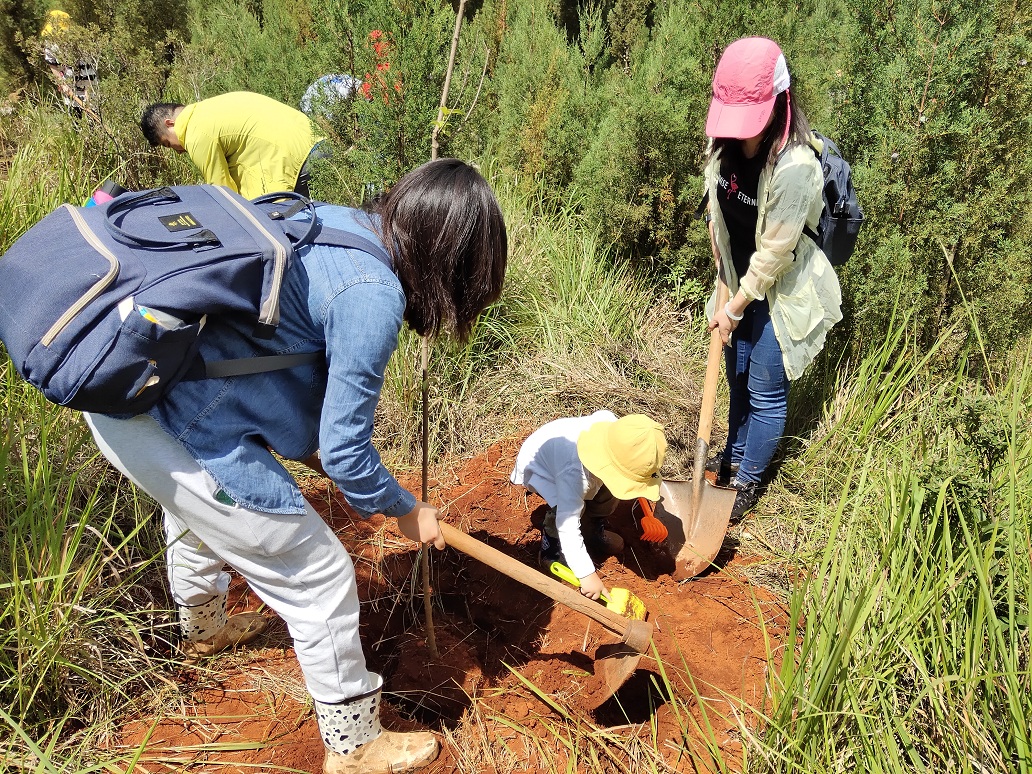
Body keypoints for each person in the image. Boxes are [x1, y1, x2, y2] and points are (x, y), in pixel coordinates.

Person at [82, 158, 508, 774]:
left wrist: (353, 470)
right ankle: (356, 745)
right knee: (319, 577)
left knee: (198, 512)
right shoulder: (373, 297)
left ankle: (204, 629)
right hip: (160, 413)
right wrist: (406, 510)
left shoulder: (336, 222)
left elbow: (280, 369)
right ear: (452, 262)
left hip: (132, 384)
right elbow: (344, 453)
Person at [701, 37, 843, 521]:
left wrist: (735, 308)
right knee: (736, 378)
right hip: (736, 280)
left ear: (779, 101)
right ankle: (728, 459)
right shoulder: (722, 145)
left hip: (777, 289)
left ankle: (745, 485)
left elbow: (775, 255)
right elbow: (718, 213)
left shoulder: (797, 166)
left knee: (763, 388)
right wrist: (723, 276)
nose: (740, 134)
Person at [510, 412, 667, 600]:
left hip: (573, 467)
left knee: (611, 494)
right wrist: (587, 575)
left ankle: (592, 531)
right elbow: (567, 526)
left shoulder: (620, 435)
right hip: (543, 470)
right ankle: (550, 550)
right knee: (568, 510)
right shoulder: (574, 474)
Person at [140, 91, 330, 199]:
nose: (179, 151)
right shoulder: (210, 108)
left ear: (170, 124)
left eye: (168, 144)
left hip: (298, 163)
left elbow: (225, 195)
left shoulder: (195, 132)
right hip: (318, 143)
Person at [40, 9, 98, 113]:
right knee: (75, 117)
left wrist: (88, 99)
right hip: (69, 87)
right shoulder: (50, 44)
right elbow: (52, 65)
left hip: (86, 84)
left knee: (92, 117)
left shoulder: (77, 44)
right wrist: (62, 83)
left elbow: (88, 75)